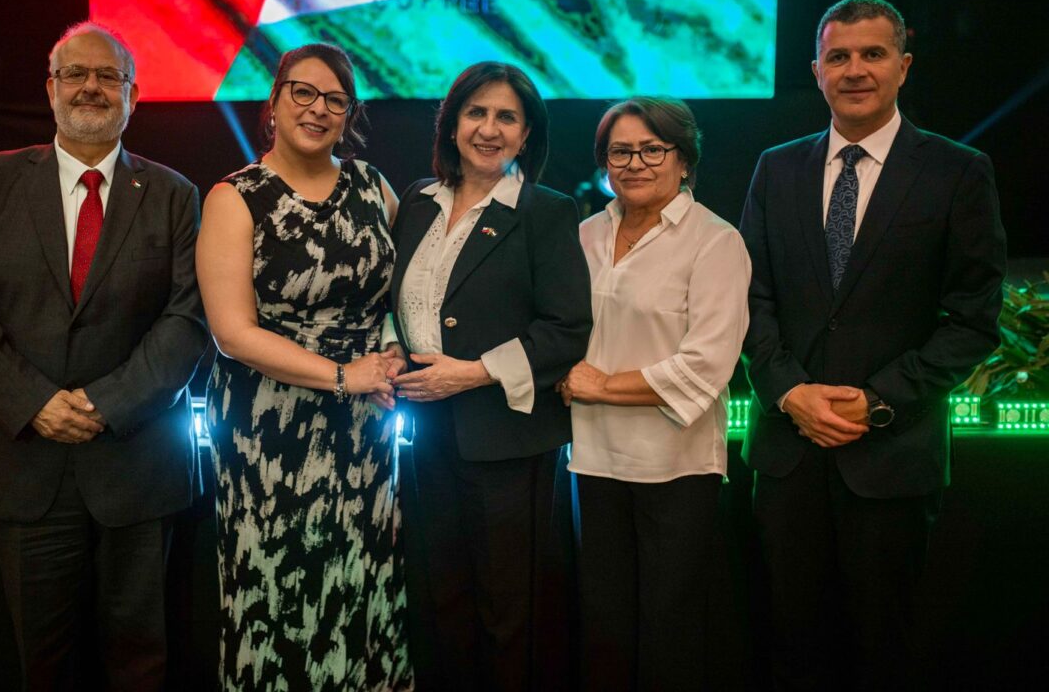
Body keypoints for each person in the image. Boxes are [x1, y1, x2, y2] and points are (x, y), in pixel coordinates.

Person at [739, 0, 1006, 690]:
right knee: (790, 647)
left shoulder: (957, 170)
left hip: (892, 456)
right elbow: (750, 298)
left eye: (872, 53)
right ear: (817, 70)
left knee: (883, 650)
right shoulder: (776, 167)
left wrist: (878, 402)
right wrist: (788, 390)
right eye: (839, 56)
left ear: (904, 65)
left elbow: (974, 318)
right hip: (786, 455)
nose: (855, 69)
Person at [0, 21, 208, 691]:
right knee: (45, 662)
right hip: (21, 461)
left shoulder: (175, 195)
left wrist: (105, 403)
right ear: (51, 89)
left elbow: (189, 318)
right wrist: (35, 404)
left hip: (137, 460)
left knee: (140, 659)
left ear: (133, 95)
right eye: (76, 74)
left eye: (108, 76)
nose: (92, 87)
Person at [196, 43, 411, 691]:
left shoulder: (374, 187)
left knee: (361, 583)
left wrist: (397, 345)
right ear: (275, 99)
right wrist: (347, 376)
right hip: (269, 436)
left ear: (350, 113)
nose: (318, 109)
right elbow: (233, 334)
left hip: (364, 436)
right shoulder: (235, 198)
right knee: (280, 594)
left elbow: (407, 293)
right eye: (304, 92)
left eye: (335, 99)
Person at [389, 61, 592, 691]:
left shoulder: (548, 212)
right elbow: (389, 302)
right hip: (423, 436)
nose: (489, 128)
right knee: (439, 596)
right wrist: (393, 350)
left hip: (507, 442)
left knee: (509, 610)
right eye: (475, 112)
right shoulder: (416, 204)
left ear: (527, 134)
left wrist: (474, 374)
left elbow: (567, 328)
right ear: (451, 124)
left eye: (507, 116)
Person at [559, 97, 750, 691]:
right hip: (590, 460)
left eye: (652, 149)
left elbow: (707, 365)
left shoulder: (716, 241)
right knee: (604, 624)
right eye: (620, 151)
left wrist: (600, 385)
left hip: (677, 466)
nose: (635, 162)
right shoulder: (583, 234)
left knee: (669, 626)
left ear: (684, 160)